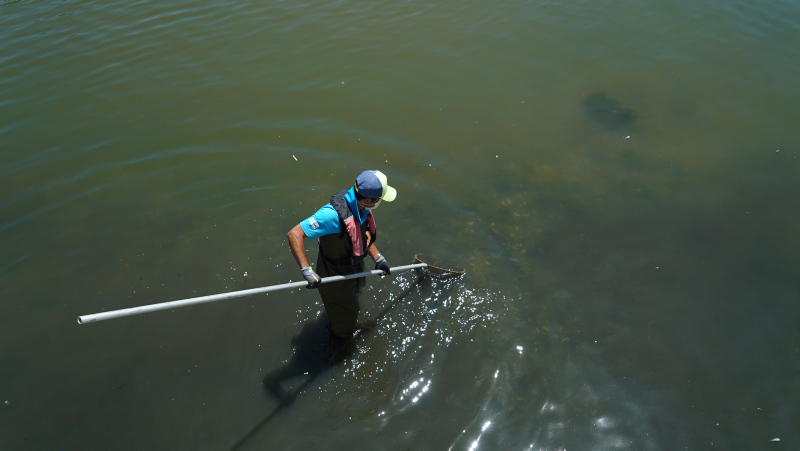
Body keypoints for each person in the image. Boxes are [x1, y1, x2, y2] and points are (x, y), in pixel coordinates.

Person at [287, 170, 397, 341]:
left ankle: (340, 312)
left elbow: (361, 233)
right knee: (345, 323)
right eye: (379, 198)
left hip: (354, 263)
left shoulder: (361, 206)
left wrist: (378, 257)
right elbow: (294, 234)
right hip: (334, 272)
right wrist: (306, 270)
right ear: (369, 200)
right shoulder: (331, 215)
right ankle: (339, 341)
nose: (380, 201)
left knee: (357, 294)